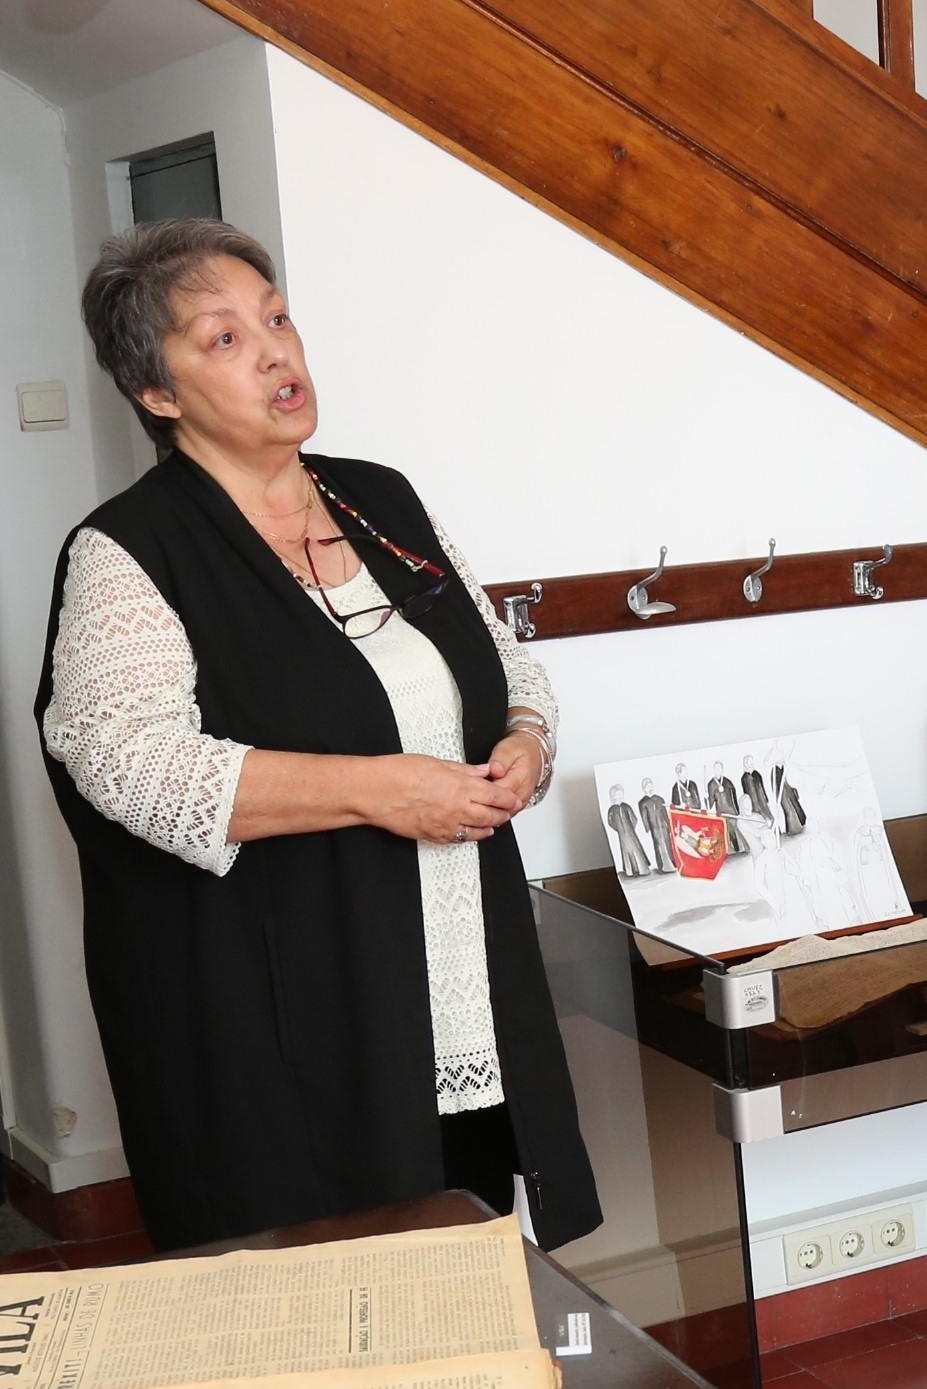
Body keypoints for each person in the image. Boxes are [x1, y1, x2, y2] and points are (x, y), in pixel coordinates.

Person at [39, 219, 598, 1251]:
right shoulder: (129, 550)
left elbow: (503, 661)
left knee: (473, 1258)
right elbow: (129, 765)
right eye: (223, 339)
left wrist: (525, 738)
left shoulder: (378, 498)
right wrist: (382, 790)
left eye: (277, 318)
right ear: (156, 395)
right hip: (288, 1011)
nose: (275, 352)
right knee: (334, 1303)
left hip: (455, 980)